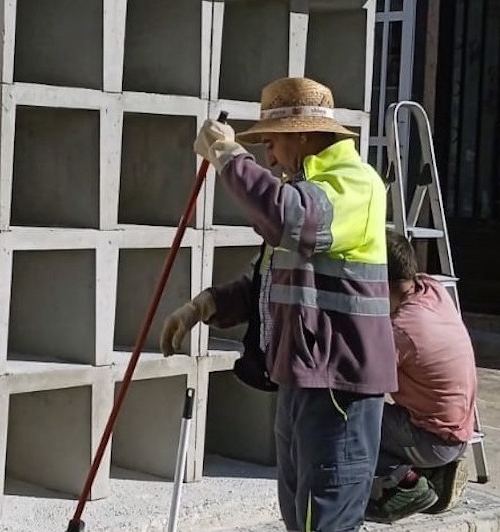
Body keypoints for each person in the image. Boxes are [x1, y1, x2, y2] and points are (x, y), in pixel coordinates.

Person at [161, 77, 398, 532]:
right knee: (301, 515)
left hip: (339, 386)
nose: (269, 156)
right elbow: (269, 278)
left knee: (325, 521)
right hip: (303, 378)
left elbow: (291, 220)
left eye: (272, 142)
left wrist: (229, 157)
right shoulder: (310, 187)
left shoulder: (354, 185)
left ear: (303, 136)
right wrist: (207, 305)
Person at [364, 230, 478, 523]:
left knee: (346, 416)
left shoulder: (402, 330)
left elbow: (363, 379)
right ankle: (433, 473)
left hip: (433, 439)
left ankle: (408, 482)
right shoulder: (432, 288)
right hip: (457, 432)